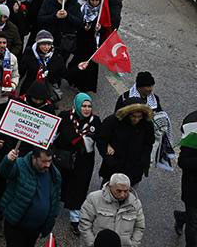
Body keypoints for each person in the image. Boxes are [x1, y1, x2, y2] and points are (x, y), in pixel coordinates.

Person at [0, 147, 63, 247]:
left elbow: (56, 198)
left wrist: (52, 217)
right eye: (44, 161)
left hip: (35, 229)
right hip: (16, 227)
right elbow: (4, 172)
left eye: (50, 161)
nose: (47, 165)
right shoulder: (20, 165)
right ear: (34, 158)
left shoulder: (55, 174)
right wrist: (8, 160)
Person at [56, 93, 102, 226]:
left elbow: (101, 139)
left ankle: (75, 218)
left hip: (83, 161)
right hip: (64, 159)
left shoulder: (95, 121)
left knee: (79, 188)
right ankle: (52, 208)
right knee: (59, 183)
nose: (87, 109)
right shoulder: (65, 116)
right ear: (77, 105)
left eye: (89, 106)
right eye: (83, 106)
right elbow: (53, 134)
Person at [97, 97, 155, 187]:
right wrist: (110, 160)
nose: (136, 119)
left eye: (139, 117)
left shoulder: (147, 125)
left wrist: (142, 163)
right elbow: (101, 140)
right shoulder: (112, 121)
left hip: (134, 170)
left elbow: (148, 144)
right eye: (133, 116)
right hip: (112, 169)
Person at [78, 174, 145, 247]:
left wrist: (133, 244)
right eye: (119, 191)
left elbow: (139, 227)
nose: (122, 195)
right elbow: (84, 222)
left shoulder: (135, 204)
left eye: (126, 191)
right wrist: (92, 244)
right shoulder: (94, 199)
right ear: (110, 187)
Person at [176, 109, 197, 245]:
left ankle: (181, 217)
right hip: (194, 187)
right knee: (193, 224)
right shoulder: (193, 126)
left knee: (193, 218)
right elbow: (183, 161)